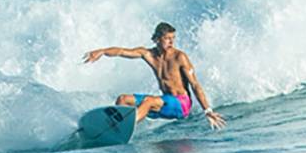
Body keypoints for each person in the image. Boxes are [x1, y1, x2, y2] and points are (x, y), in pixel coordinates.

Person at [82, 22, 226, 129]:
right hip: (164, 102)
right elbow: (122, 51)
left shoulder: (179, 57)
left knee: (149, 101)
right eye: (167, 38)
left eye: (173, 38)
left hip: (181, 104)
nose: (171, 41)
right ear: (157, 39)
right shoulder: (149, 54)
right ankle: (116, 129)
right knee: (123, 99)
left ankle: (124, 126)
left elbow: (195, 84)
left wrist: (207, 110)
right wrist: (101, 51)